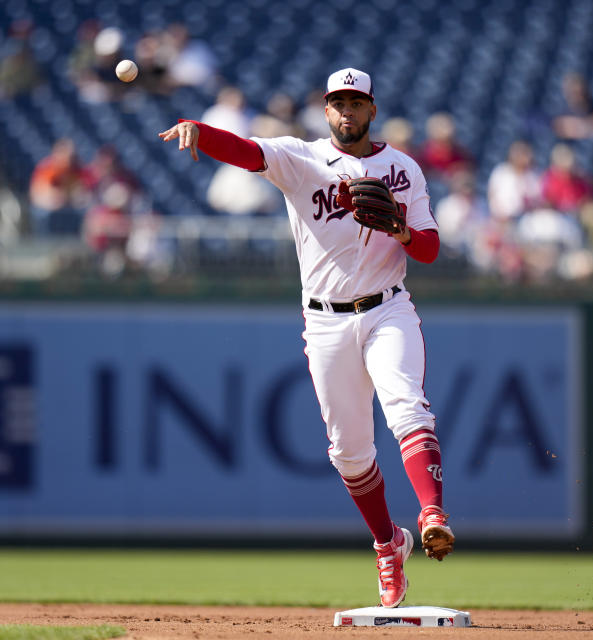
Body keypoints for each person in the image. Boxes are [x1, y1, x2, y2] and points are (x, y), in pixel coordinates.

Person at [158, 68, 454, 608]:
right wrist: (200, 129)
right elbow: (249, 153)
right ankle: (389, 545)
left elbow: (431, 248)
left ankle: (432, 514)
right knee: (348, 452)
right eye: (338, 103)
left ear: (372, 109)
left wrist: (402, 232)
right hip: (324, 322)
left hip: (389, 310)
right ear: (325, 111)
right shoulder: (303, 157)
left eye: (356, 103)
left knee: (407, 406)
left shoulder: (402, 168)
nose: (347, 111)